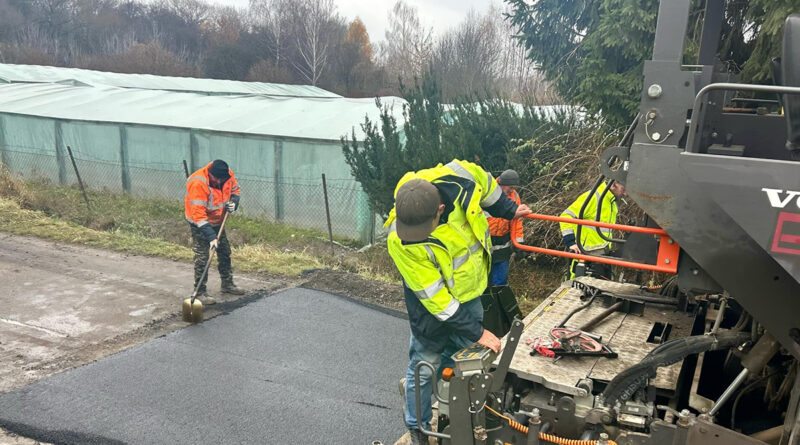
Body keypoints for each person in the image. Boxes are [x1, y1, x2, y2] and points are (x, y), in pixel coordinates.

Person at [385, 159, 532, 444]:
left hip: (471, 295)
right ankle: (418, 428)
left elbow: (489, 186)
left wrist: (509, 209)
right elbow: (437, 301)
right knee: (424, 365)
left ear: (439, 211)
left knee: (469, 363)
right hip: (430, 309)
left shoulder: (463, 176)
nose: (413, 237)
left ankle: (468, 419)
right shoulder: (399, 239)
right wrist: (478, 332)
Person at [185, 159, 244, 304]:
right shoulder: (198, 183)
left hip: (219, 220)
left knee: (224, 251)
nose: (218, 181)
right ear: (210, 174)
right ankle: (199, 292)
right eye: (216, 178)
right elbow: (198, 215)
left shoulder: (227, 175)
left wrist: (234, 202)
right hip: (200, 224)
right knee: (203, 256)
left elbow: (236, 190)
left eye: (221, 179)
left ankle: (227, 284)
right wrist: (211, 237)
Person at [559, 180, 626, 279]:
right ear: (613, 185)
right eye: (623, 189)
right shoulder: (593, 197)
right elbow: (565, 216)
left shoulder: (612, 202)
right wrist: (571, 243)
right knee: (578, 287)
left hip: (602, 255)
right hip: (585, 254)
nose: (625, 193)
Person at [487, 169, 524, 286]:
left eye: (514, 188)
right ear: (501, 184)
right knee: (484, 280)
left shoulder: (515, 197)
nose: (512, 190)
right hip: (486, 243)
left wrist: (519, 244)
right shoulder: (488, 192)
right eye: (510, 187)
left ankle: (498, 302)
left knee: (501, 280)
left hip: (503, 244)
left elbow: (517, 222)